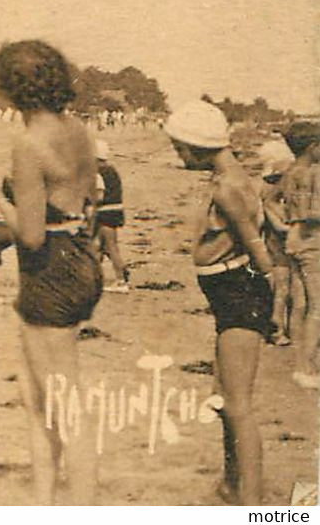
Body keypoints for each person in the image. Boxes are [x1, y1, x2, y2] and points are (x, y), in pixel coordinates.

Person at [0, 40, 102, 504]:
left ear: (14, 90)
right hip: (80, 257)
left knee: (57, 404)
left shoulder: (28, 143)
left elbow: (30, 235)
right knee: (42, 398)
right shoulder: (78, 131)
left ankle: (81, 506)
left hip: (47, 269)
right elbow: (87, 199)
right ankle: (44, 503)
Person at [166, 100, 276, 504]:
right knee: (225, 398)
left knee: (238, 405)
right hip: (230, 295)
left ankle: (251, 501)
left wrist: (273, 301)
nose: (178, 156)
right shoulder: (234, 179)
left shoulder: (228, 188)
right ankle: (233, 485)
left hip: (239, 294)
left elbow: (256, 247)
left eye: (180, 148)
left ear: (197, 146)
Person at [282, 121, 320, 390]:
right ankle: (306, 367)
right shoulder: (313, 173)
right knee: (317, 307)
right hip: (312, 242)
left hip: (292, 241)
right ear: (312, 147)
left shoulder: (290, 172)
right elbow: (313, 214)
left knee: (300, 303)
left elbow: (283, 205)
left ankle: (299, 361)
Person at [252, 139, 299, 347]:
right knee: (283, 289)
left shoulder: (268, 185)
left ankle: (281, 328)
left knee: (285, 289)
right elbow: (277, 224)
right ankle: (277, 329)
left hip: (278, 242)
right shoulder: (273, 188)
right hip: (279, 243)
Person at [94, 140, 131, 292]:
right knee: (103, 246)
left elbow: (99, 196)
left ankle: (121, 280)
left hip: (105, 212)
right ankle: (98, 278)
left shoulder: (97, 172)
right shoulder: (111, 170)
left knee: (109, 246)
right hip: (115, 210)